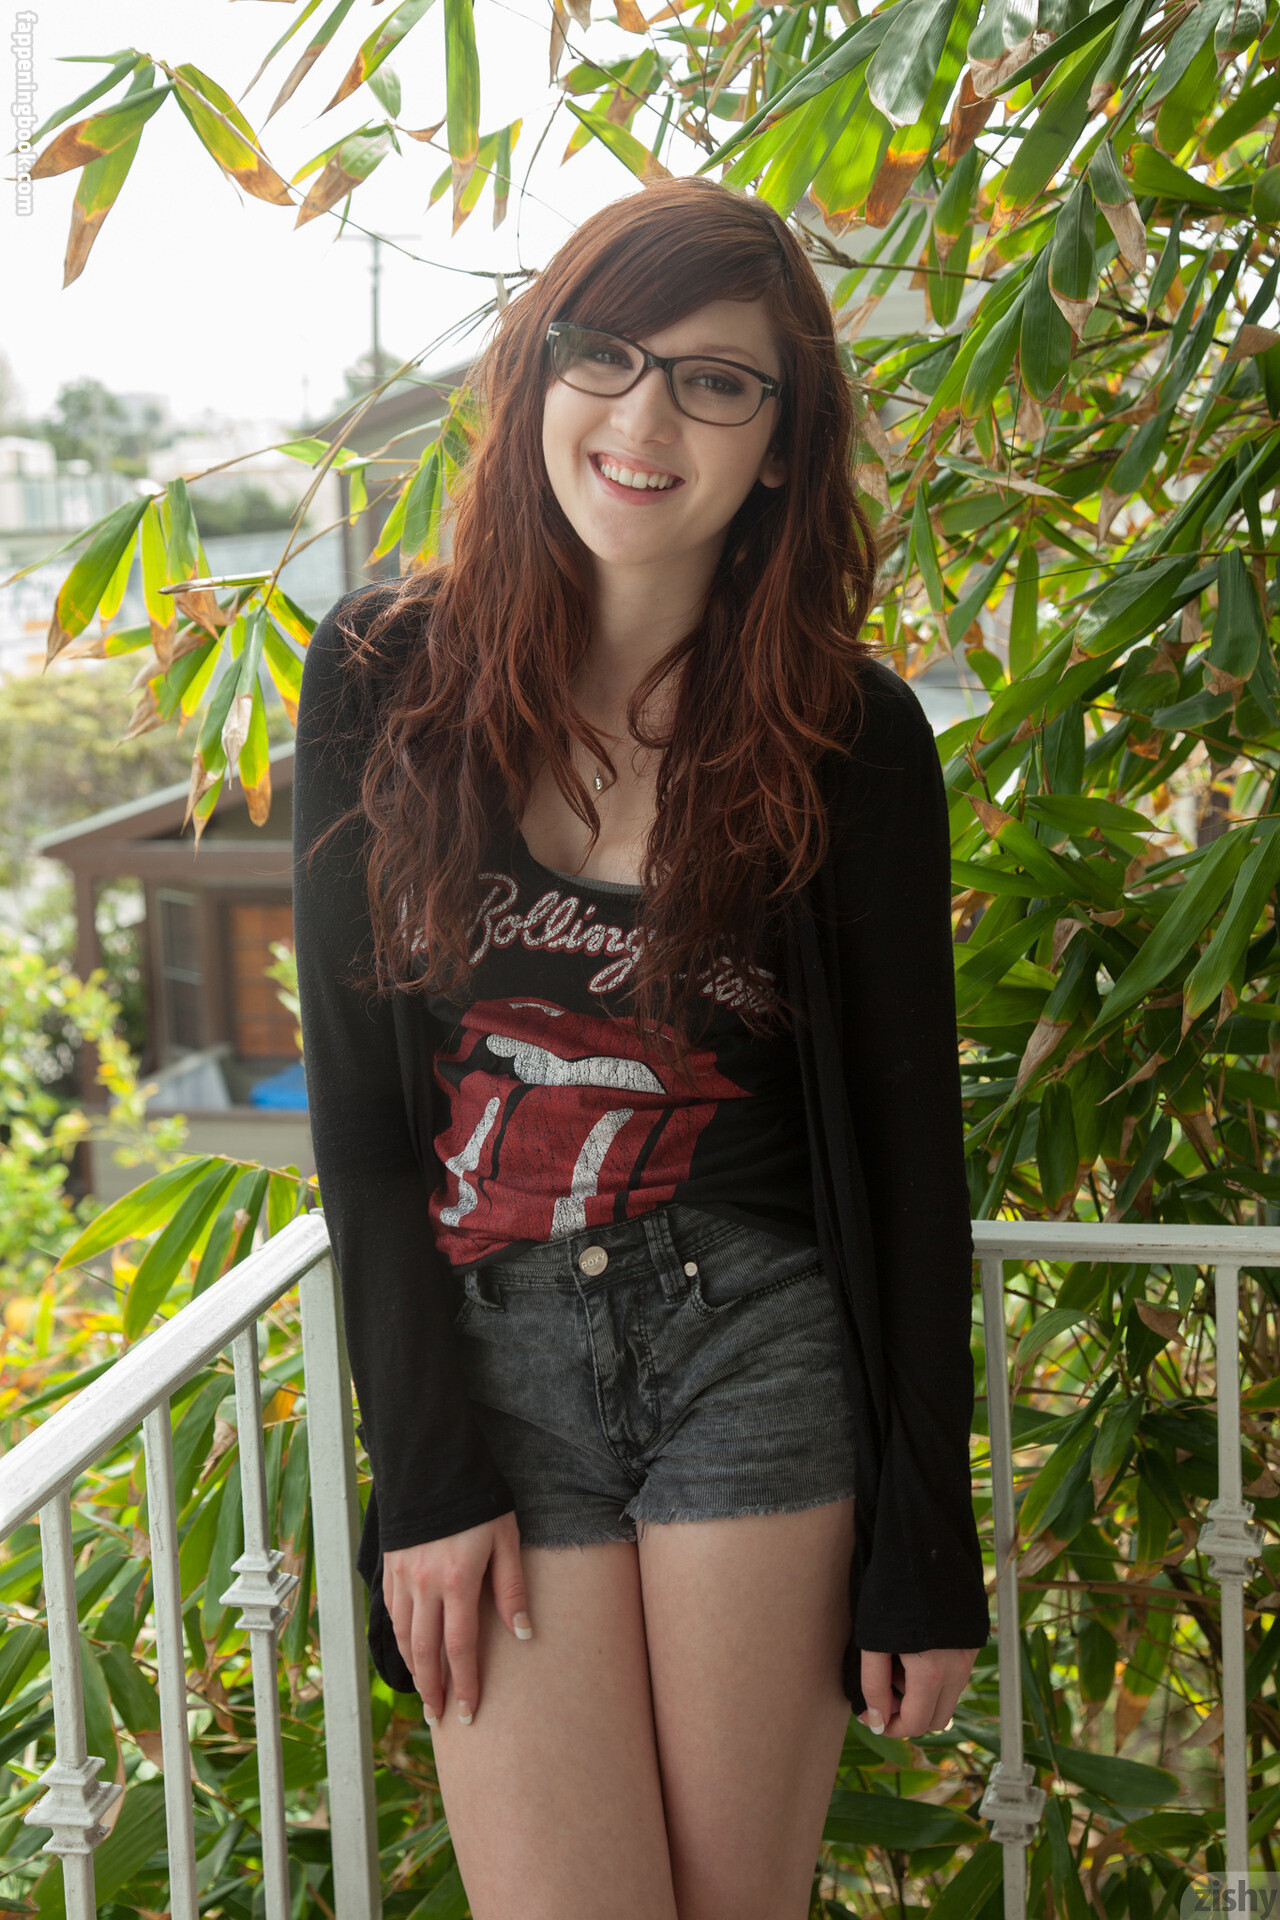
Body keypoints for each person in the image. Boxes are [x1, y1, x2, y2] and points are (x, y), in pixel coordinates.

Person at [292, 176, 988, 1920]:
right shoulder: (384, 673)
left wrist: (929, 1542)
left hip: (756, 1343)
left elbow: (912, 1161)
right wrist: (422, 1475)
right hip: (495, 1360)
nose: (644, 417)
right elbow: (362, 1121)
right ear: (538, 371)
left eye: (715, 380)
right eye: (603, 354)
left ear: (785, 440)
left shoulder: (848, 735)